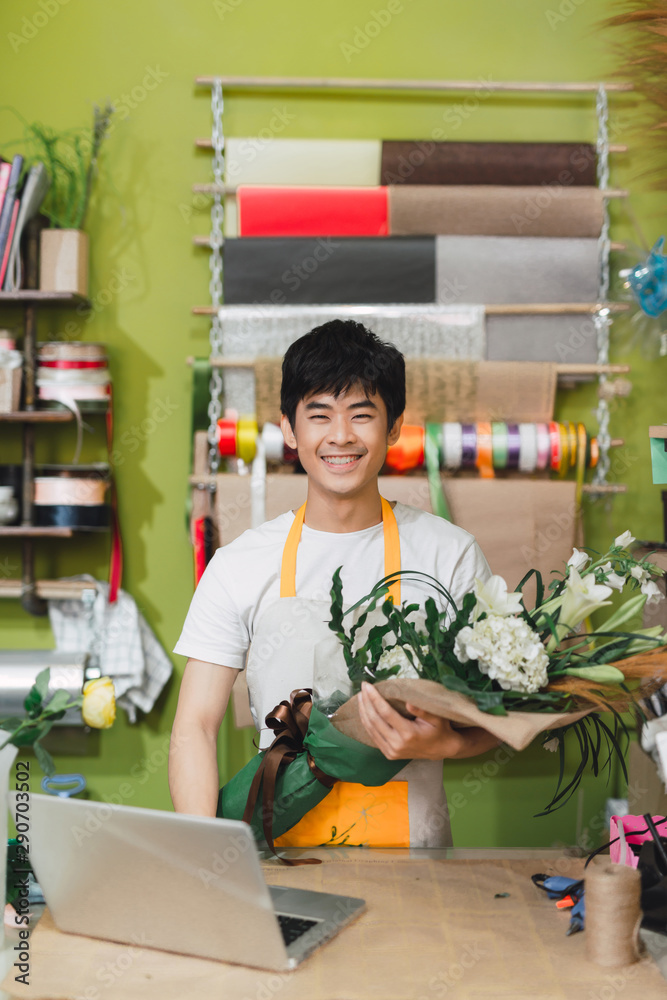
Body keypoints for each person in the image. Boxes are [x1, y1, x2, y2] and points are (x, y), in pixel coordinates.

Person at [169, 320, 499, 848]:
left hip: (415, 855)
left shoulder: (449, 553)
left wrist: (449, 745)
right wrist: (207, 857)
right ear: (290, 429)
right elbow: (195, 728)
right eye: (319, 415)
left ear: (393, 428)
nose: (340, 436)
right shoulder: (240, 564)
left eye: (362, 415)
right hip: (277, 851)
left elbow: (503, 715)